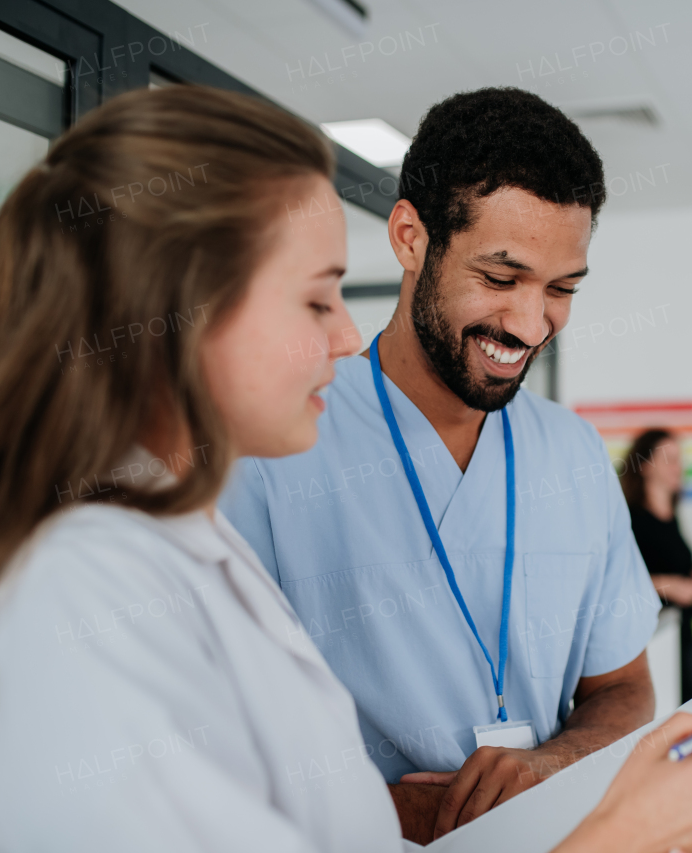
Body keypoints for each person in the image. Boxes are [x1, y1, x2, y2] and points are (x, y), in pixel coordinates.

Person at [0, 86, 692, 853]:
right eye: (315, 295)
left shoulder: (182, 548)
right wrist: (624, 834)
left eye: (561, 288)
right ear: (182, 310)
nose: (345, 336)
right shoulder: (82, 596)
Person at [219, 87, 662, 841]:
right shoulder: (269, 447)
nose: (529, 324)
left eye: (560, 290)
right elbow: (210, 744)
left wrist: (550, 768)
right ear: (410, 238)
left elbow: (621, 688)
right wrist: (407, 813)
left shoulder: (575, 453)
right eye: (500, 277)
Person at [620, 429, 692, 701]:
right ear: (646, 466)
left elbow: (680, 562)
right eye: (669, 459)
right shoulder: (631, 520)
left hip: (680, 639)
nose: (678, 468)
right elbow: (620, 581)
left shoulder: (672, 515)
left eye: (679, 460)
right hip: (650, 643)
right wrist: (668, 586)